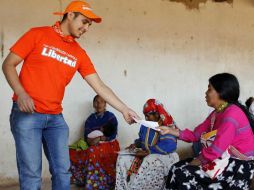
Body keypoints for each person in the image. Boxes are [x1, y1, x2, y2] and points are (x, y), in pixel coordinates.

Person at [2, 1, 138, 190]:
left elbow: (99, 85)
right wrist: (21, 93)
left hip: (55, 119)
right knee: (31, 174)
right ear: (70, 15)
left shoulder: (78, 53)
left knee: (63, 171)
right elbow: (8, 64)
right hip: (28, 114)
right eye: (84, 21)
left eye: (89, 24)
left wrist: (124, 109)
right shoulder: (37, 34)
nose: (86, 28)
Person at [158, 73, 254, 190]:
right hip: (221, 161)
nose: (206, 92)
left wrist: (196, 161)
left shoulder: (232, 114)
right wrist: (170, 130)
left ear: (221, 92)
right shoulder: (216, 113)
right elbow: (196, 135)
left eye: (209, 89)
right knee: (175, 168)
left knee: (183, 173)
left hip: (237, 167)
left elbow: (216, 150)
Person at [115, 99, 179, 190]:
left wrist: (149, 152)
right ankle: (122, 187)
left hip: (163, 156)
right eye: (145, 116)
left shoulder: (167, 126)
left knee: (149, 159)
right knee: (122, 158)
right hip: (147, 153)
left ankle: (137, 187)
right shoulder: (145, 125)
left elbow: (169, 146)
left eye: (148, 116)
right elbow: (142, 140)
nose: (146, 119)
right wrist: (135, 145)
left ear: (157, 114)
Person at [69, 95, 120, 189]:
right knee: (70, 151)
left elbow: (113, 134)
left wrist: (101, 139)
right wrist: (91, 141)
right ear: (93, 104)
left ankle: (96, 183)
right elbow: (86, 136)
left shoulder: (111, 117)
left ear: (105, 104)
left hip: (109, 144)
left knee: (93, 151)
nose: (99, 104)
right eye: (96, 101)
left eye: (102, 101)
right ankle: (80, 179)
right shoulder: (90, 119)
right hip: (92, 143)